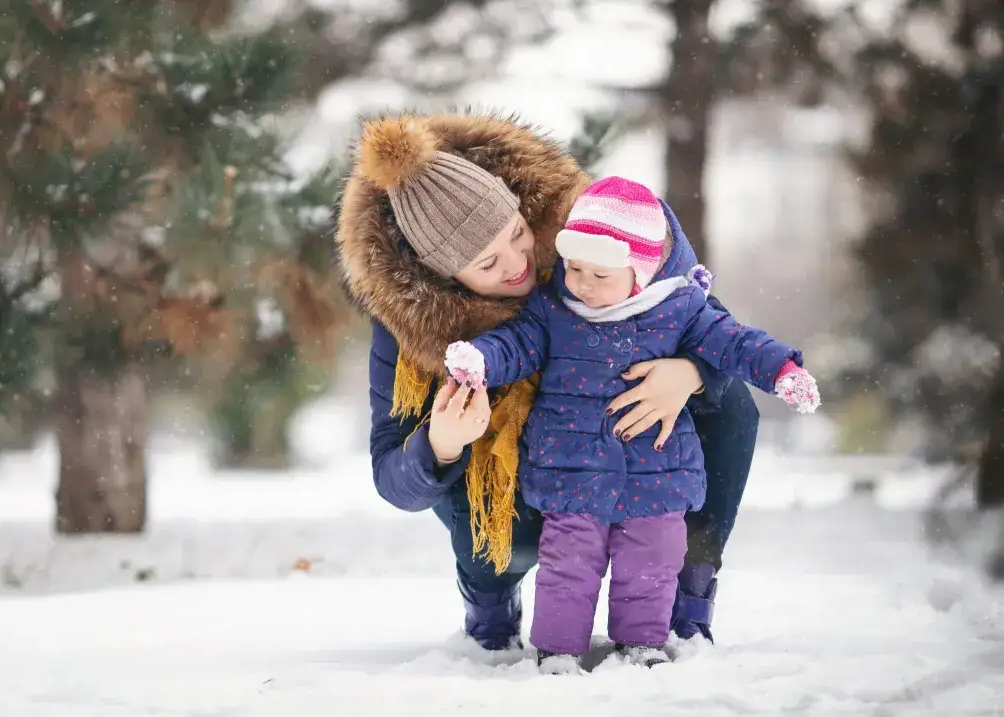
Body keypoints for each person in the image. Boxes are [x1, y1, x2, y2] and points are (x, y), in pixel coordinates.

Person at [334, 112, 760, 654]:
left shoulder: (586, 235)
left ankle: (688, 585)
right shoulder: (407, 326)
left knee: (733, 404)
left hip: (626, 445)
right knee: (499, 531)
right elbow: (392, 476)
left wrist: (693, 373)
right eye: (488, 263)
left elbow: (716, 326)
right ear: (443, 277)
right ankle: (490, 590)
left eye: (516, 233)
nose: (519, 262)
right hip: (521, 482)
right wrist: (438, 445)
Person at [443, 175, 819, 669]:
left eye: (601, 276)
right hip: (571, 471)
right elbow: (515, 345)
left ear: (639, 274)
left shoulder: (681, 309)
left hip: (657, 472)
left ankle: (641, 645)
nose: (582, 284)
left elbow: (736, 343)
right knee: (567, 565)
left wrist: (782, 370)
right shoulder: (553, 309)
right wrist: (481, 361)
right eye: (575, 268)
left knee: (653, 562)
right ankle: (557, 651)